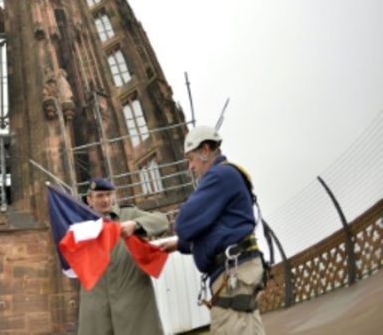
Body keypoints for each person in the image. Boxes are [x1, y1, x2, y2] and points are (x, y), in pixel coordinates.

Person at [161, 126, 266, 334]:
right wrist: (178, 245)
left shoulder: (219, 176)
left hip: (234, 272)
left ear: (206, 150)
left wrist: (182, 233)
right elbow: (218, 232)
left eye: (191, 159)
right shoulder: (227, 176)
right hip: (241, 267)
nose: (190, 167)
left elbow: (184, 224)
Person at [78, 177, 168, 335]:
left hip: (132, 301)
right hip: (97, 306)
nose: (105, 200)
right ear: (89, 200)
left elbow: (162, 221)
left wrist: (136, 225)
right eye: (99, 196)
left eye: (108, 194)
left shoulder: (129, 214)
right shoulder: (82, 225)